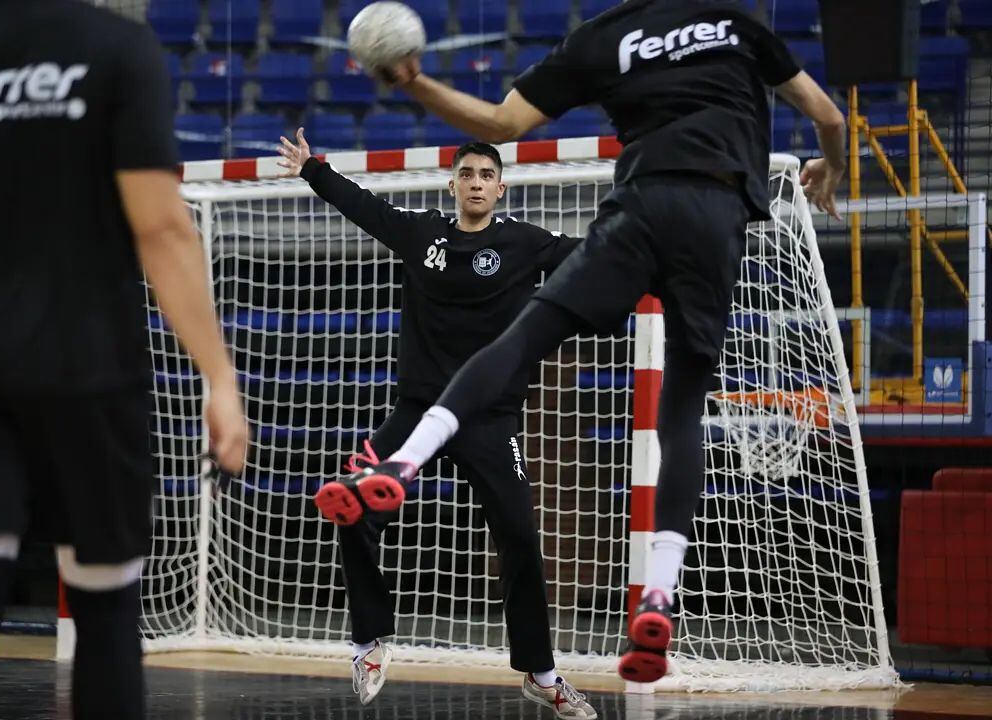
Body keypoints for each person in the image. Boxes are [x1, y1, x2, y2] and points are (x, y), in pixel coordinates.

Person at [327, 0, 846, 684]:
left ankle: (401, 464)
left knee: (525, 337)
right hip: (717, 214)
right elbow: (829, 116)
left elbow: (499, 123)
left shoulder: (599, 39)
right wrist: (829, 167)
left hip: (638, 207)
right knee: (682, 408)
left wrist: (414, 82)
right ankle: (659, 591)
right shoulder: (735, 24)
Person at [0, 1, 249, 717]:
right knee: (103, 612)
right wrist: (218, 376)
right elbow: (160, 225)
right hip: (87, 362)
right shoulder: (117, 47)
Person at [277, 131, 596, 718]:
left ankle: (541, 673)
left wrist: (661, 245)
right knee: (351, 507)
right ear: (453, 184)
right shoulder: (422, 232)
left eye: (486, 175)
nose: (476, 183)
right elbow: (365, 207)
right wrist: (312, 170)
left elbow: (594, 254)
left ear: (500, 188)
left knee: (521, 539)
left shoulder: (527, 243)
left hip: (489, 420)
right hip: (415, 412)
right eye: (466, 173)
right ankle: (369, 642)